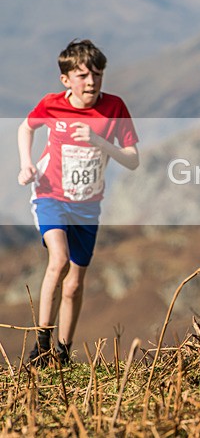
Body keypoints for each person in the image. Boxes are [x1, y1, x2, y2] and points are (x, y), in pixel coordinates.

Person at [18, 39, 139, 366]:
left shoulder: (115, 108)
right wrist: (26, 163)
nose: (92, 82)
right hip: (50, 196)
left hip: (87, 205)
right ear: (66, 80)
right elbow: (25, 128)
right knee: (58, 260)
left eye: (97, 75)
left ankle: (62, 352)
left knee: (74, 284)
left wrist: (100, 141)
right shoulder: (52, 104)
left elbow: (132, 160)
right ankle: (40, 345)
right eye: (83, 75)